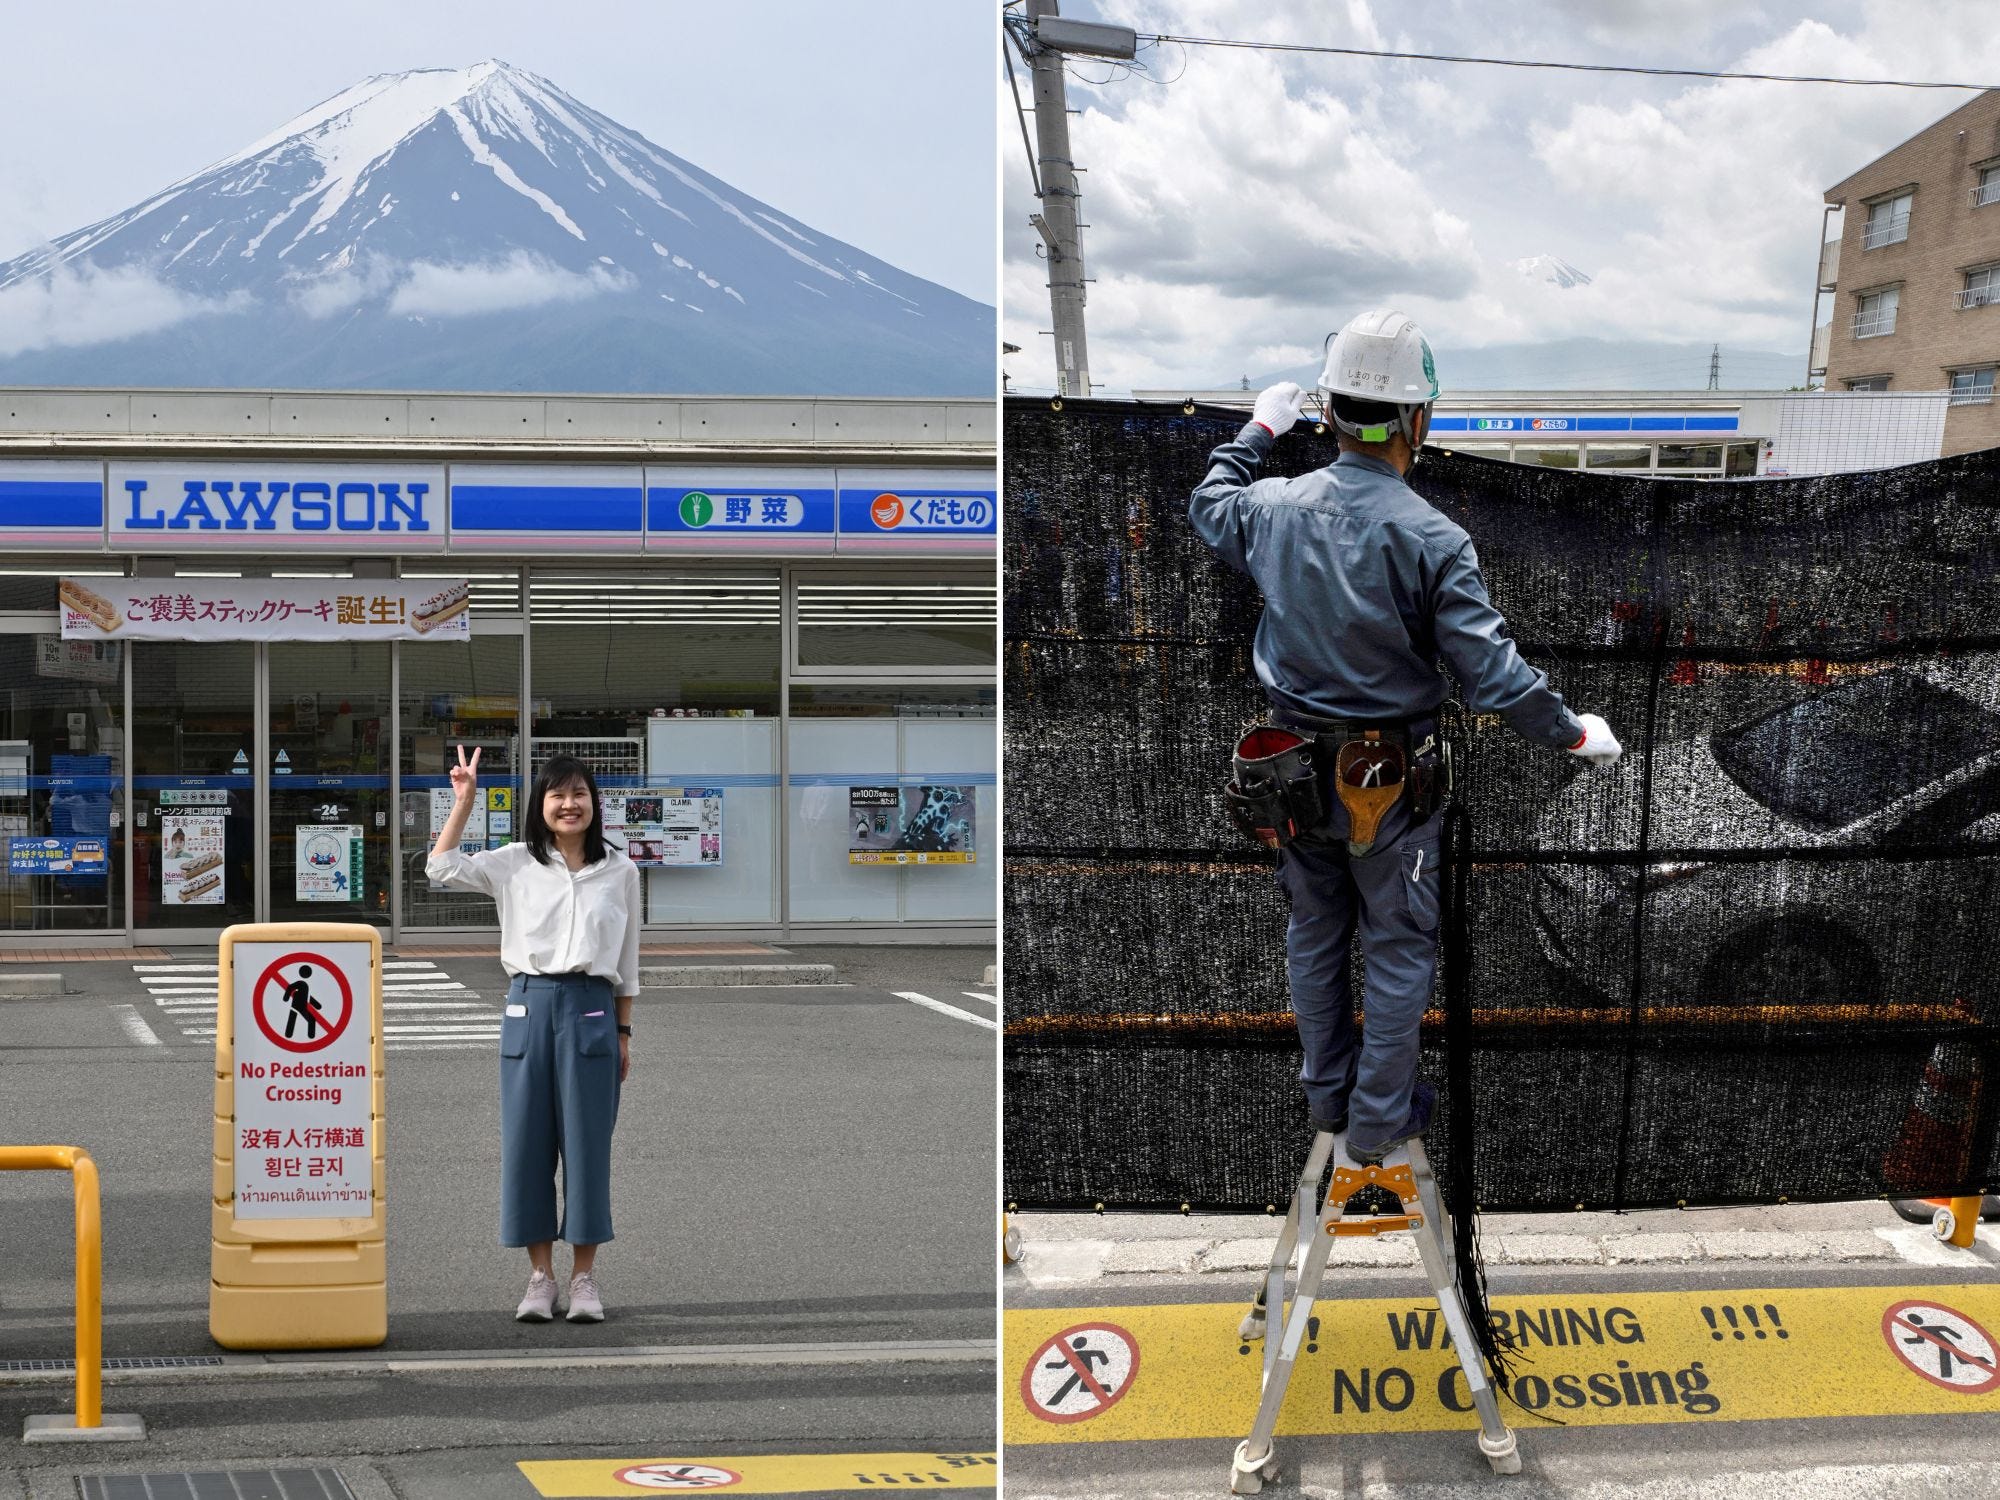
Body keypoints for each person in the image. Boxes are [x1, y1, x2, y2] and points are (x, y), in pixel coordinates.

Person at [1188, 309, 1623, 1166]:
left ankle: (1328, 1095)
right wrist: (1574, 735)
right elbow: (1493, 678)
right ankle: (1378, 1119)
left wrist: (1255, 433)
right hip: (1386, 780)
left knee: (1315, 931)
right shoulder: (1432, 538)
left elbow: (1209, 503)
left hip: (1291, 774)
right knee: (1394, 947)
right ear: (1417, 421)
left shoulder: (1272, 508)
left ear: (1330, 414)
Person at [427, 749, 642, 1322]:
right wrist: (464, 802)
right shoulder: (515, 862)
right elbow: (440, 868)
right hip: (528, 1003)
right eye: (557, 795)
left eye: (579, 795)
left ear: (594, 803)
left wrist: (623, 1029)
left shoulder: (621, 870)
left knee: (587, 1147)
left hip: (594, 1010)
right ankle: (540, 1278)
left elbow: (627, 960)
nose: (569, 805)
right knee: (527, 1145)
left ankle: (586, 1280)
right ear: (541, 805)